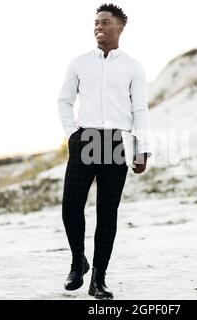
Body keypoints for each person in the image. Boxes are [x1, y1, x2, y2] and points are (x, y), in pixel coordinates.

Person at [56, 3, 152, 300]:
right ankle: (77, 262)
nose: (98, 26)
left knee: (106, 214)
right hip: (84, 140)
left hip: (115, 143)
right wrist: (72, 133)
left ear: (119, 28)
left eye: (105, 22)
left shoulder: (133, 66)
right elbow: (64, 100)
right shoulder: (79, 62)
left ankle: (99, 279)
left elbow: (140, 110)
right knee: (71, 206)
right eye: (96, 22)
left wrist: (141, 148)